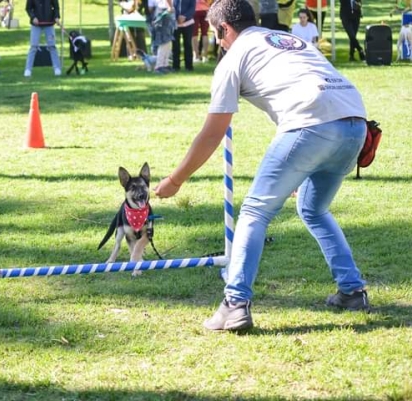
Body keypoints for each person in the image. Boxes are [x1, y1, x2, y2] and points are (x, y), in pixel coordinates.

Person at [154, 0, 370, 332]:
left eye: (217, 36)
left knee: (254, 212)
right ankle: (352, 291)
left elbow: (213, 132)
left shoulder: (234, 57)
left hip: (310, 124)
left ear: (224, 29)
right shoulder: (285, 40)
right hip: (355, 124)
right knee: (313, 208)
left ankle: (235, 304)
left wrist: (176, 179)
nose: (218, 44)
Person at [24, 0, 62, 77]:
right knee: (33, 47)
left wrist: (56, 17)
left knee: (52, 46)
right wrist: (33, 17)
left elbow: (56, 7)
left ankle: (57, 68)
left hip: (49, 24)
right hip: (36, 25)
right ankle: (28, 69)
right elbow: (28, 8)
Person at [150, 0, 176, 73]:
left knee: (168, 41)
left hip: (164, 10)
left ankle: (165, 64)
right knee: (164, 41)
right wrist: (170, 6)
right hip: (164, 10)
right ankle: (159, 66)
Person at [172, 0, 196, 71]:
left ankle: (189, 66)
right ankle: (175, 66)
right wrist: (177, 17)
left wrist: (185, 16)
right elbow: (171, 6)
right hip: (175, 23)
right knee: (175, 45)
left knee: (188, 44)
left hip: (188, 23)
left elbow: (192, 8)